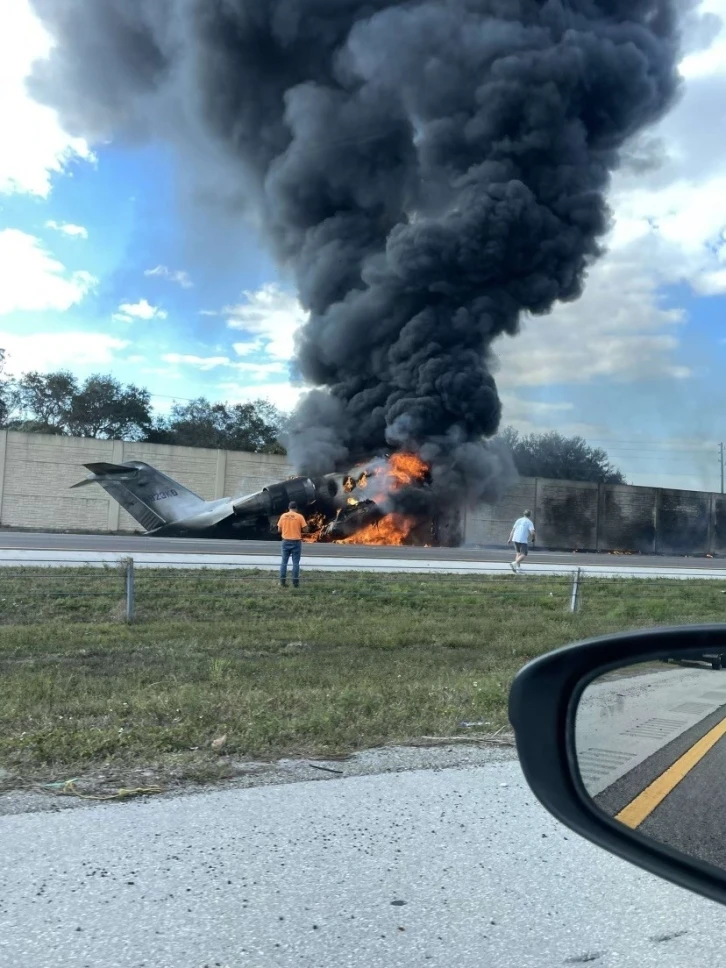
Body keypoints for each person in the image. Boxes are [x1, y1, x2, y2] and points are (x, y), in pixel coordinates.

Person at [278, 501, 307, 588]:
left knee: (284, 562)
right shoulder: (299, 517)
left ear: (289, 508)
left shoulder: (283, 516)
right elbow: (305, 530)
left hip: (285, 541)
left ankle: (282, 582)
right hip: (296, 542)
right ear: (296, 508)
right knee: (295, 563)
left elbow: (279, 530)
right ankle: (295, 583)